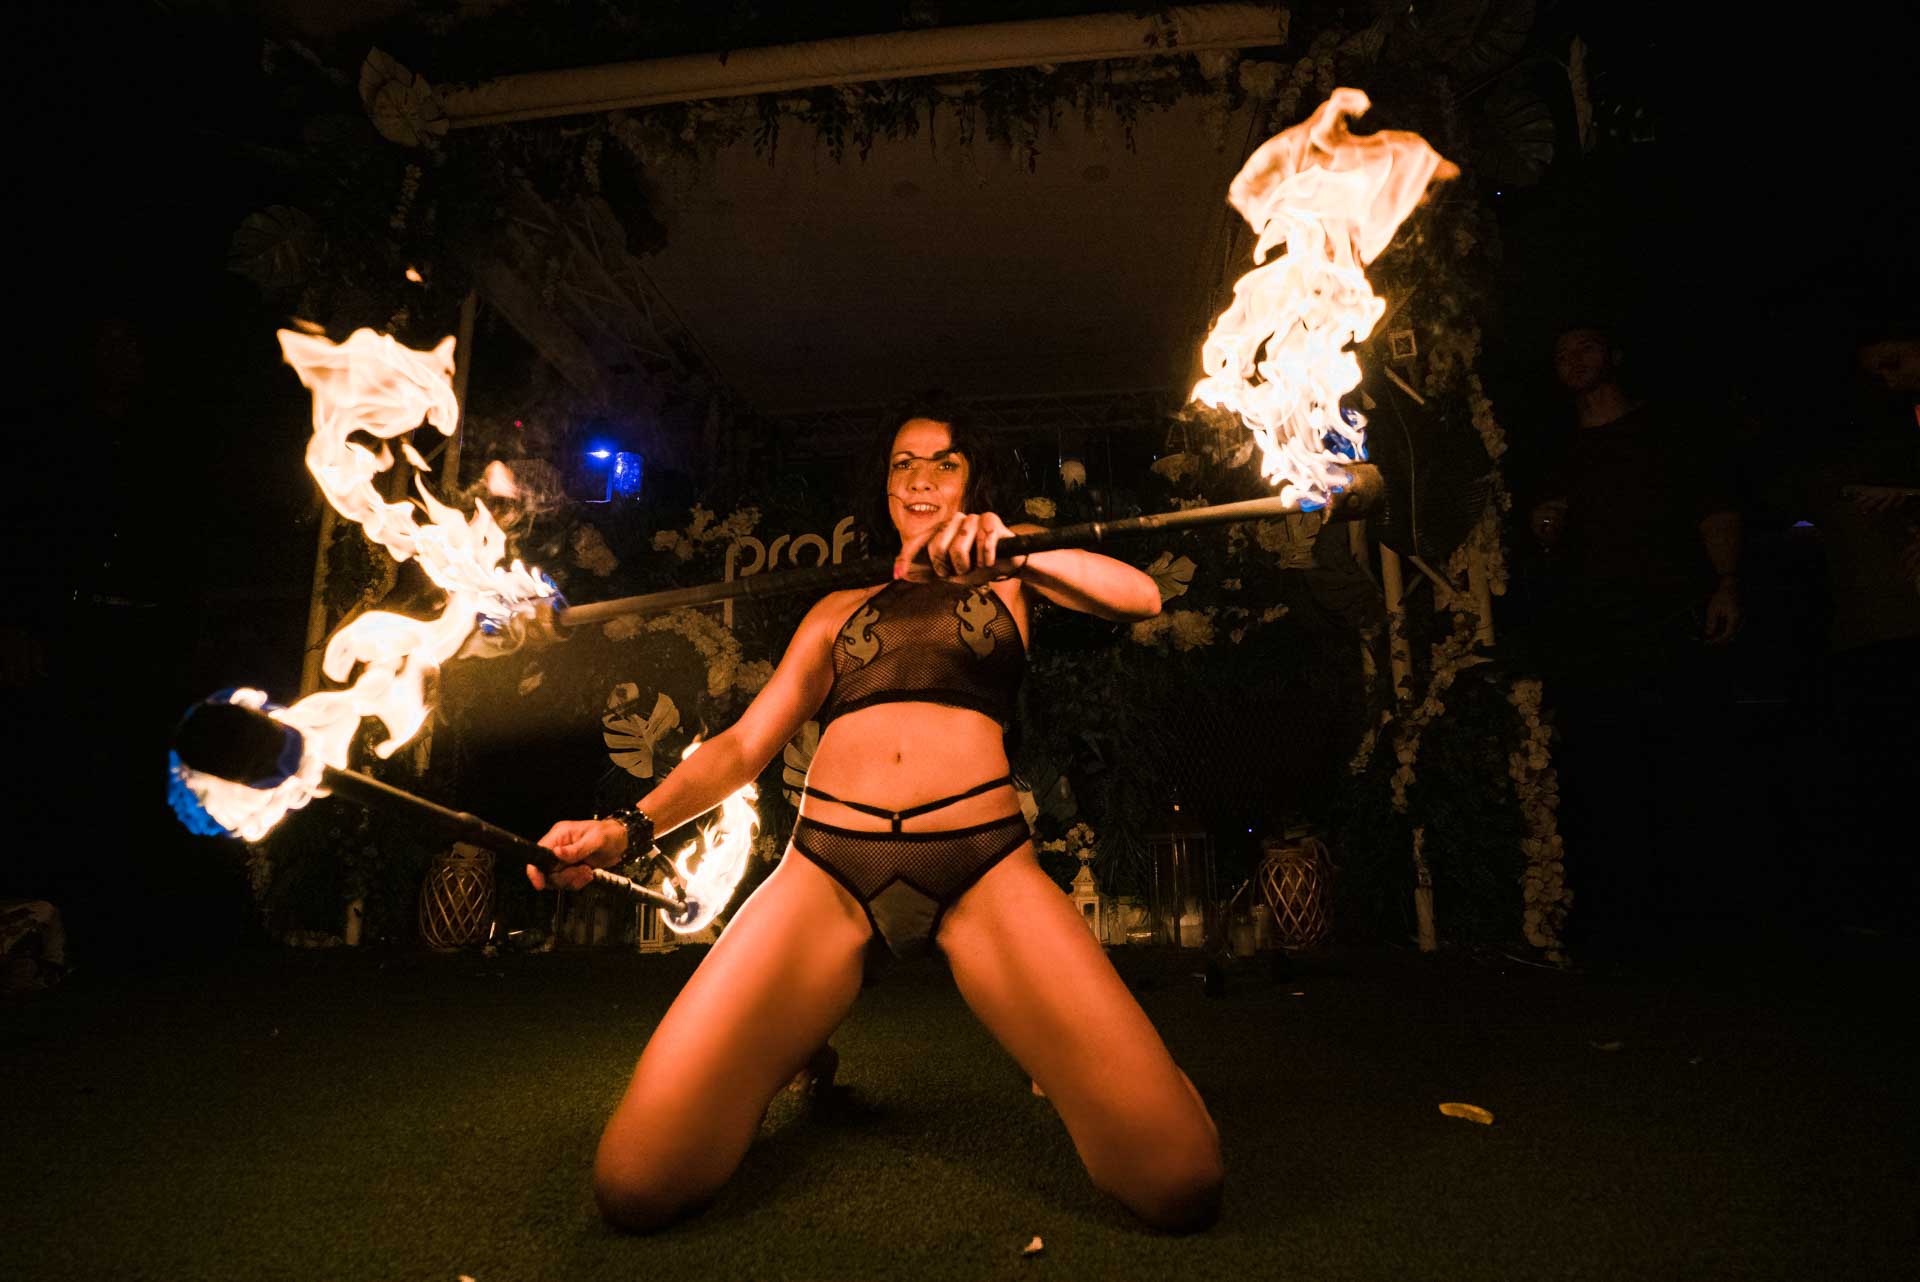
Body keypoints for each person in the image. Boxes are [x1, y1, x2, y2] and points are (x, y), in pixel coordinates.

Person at [528, 406, 1224, 1233]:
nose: (921, 478)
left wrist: (1015, 549)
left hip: (983, 868)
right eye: (903, 463)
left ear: (972, 483)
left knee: (1180, 1181)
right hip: (827, 872)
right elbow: (743, 747)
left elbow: (1140, 596)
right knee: (635, 1185)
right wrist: (623, 830)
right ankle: (792, 1047)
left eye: (945, 462)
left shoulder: (1012, 569)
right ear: (886, 488)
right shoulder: (838, 609)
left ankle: (1131, 1074)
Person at [1527, 322, 1745, 958]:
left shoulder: (1664, 432)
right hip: (1596, 632)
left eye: (1585, 347)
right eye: (1562, 353)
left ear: (1614, 355)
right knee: (1611, 774)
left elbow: (1715, 509)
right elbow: (1547, 537)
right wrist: (1545, 531)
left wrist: (1726, 583)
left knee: (1685, 764)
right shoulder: (1561, 451)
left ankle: (1705, 921)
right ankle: (1630, 929)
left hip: (1668, 619)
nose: (1573, 360)